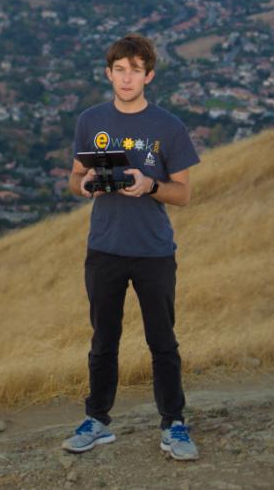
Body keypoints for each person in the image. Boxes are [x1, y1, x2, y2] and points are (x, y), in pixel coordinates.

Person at [63, 33, 201, 461]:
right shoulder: (90, 120)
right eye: (119, 70)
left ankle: (173, 425)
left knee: (162, 341)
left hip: (154, 251)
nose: (126, 78)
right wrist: (83, 185)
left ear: (149, 75)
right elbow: (74, 176)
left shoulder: (168, 126)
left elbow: (182, 194)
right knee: (104, 340)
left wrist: (149, 185)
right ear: (109, 73)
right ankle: (98, 421)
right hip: (104, 247)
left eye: (135, 71)